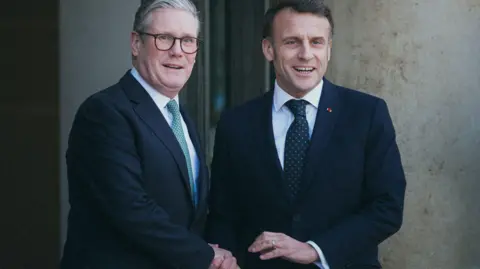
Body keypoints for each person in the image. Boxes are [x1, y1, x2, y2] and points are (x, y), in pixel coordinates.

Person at [206, 1, 406, 268]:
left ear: (329, 49)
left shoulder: (367, 114)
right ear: (269, 49)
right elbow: (223, 215)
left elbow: (387, 207)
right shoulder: (236, 124)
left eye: (316, 42)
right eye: (292, 42)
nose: (306, 54)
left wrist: (315, 250)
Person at [60, 0, 238, 268]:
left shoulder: (182, 118)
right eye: (164, 38)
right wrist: (206, 256)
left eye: (188, 40)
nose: (178, 51)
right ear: (136, 43)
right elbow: (130, 209)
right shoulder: (104, 113)